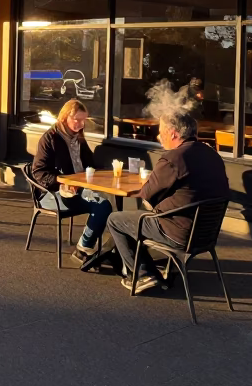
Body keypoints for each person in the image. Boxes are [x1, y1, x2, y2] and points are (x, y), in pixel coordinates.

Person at [107, 108, 230, 293]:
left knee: (116, 220)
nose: (158, 136)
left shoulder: (174, 159)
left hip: (177, 232)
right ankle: (163, 268)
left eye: (161, 131)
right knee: (140, 216)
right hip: (205, 233)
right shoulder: (212, 155)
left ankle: (142, 275)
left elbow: (147, 194)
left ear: (172, 133)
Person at [29, 99, 114, 263]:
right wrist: (61, 183)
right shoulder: (50, 139)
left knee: (106, 203)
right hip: (53, 193)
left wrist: (102, 172)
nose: (81, 124)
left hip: (79, 188)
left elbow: (89, 164)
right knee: (102, 205)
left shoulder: (78, 137)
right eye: (77, 120)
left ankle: (88, 248)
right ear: (65, 117)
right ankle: (84, 250)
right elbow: (39, 172)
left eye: (84, 120)